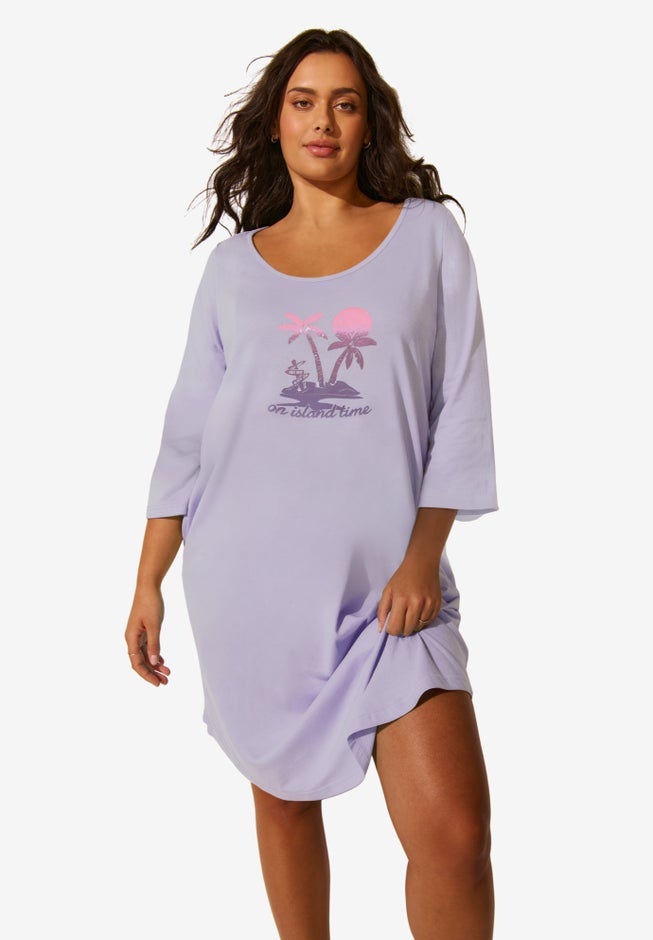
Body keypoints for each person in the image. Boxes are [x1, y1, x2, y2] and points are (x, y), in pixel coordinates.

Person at [125, 27, 498, 940]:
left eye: (343, 102)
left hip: (392, 594)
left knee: (455, 839)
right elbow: (187, 434)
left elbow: (460, 404)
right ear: (275, 122)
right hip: (250, 589)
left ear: (368, 121)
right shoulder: (234, 267)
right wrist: (147, 579)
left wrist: (423, 558)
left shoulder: (425, 236)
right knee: (285, 804)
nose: (322, 120)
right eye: (302, 102)